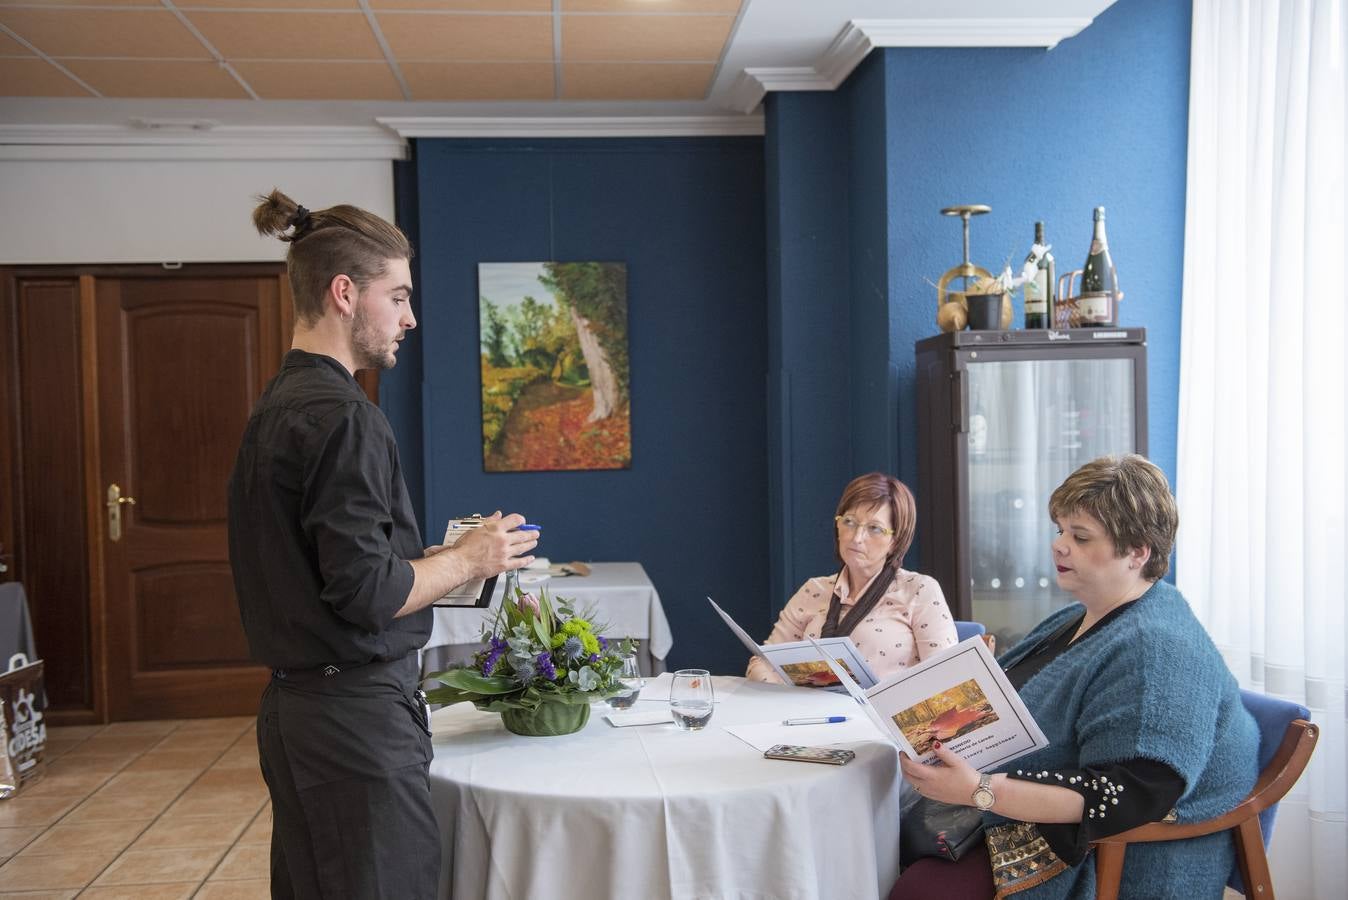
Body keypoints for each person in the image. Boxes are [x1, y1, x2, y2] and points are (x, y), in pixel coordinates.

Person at [228, 189, 538, 900]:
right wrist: (469, 559)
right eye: (397, 297)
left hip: (296, 715)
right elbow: (368, 593)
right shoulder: (346, 419)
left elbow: (328, 572)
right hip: (356, 724)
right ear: (345, 293)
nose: (410, 317)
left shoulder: (275, 407)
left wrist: (438, 562)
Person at [891, 455, 1259, 900]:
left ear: (1138, 551)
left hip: (1093, 852)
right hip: (1011, 808)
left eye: (1080, 536)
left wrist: (980, 791)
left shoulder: (1157, 648)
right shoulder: (1083, 614)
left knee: (917, 888)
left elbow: (1130, 793)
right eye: (1061, 530)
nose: (1060, 545)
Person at [746, 472, 958, 684]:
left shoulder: (919, 590)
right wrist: (792, 698)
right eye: (849, 522)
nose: (857, 538)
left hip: (881, 715)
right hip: (809, 714)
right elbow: (762, 662)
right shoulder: (814, 589)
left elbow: (946, 678)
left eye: (874, 528)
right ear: (837, 525)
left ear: (896, 540)